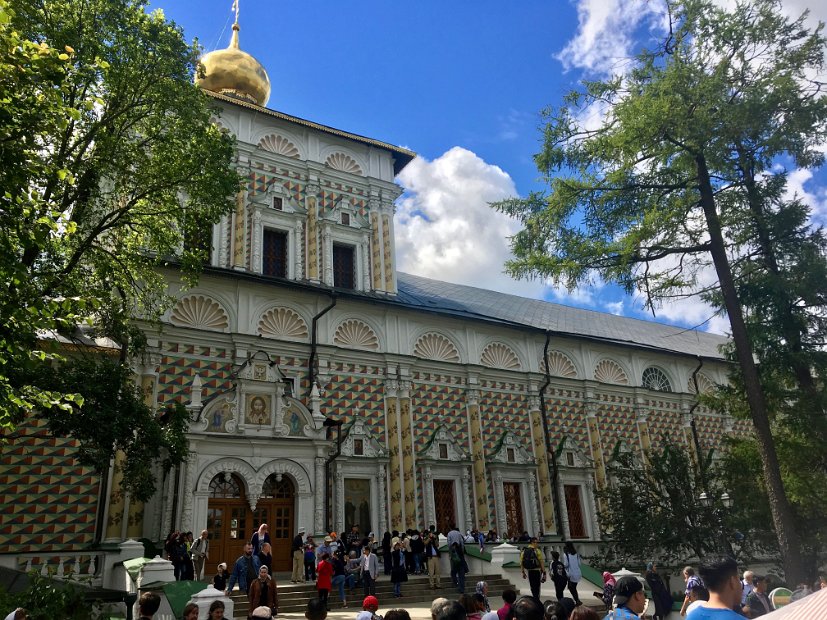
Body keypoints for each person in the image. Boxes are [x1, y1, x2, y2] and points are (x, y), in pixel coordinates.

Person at [520, 537, 546, 602]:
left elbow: (521, 562)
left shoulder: (524, 551)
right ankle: (537, 599)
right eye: (536, 542)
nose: (537, 544)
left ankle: (535, 598)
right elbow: (541, 562)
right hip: (537, 571)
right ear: (532, 542)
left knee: (532, 586)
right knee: (537, 586)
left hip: (530, 571)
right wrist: (544, 572)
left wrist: (523, 572)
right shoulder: (537, 551)